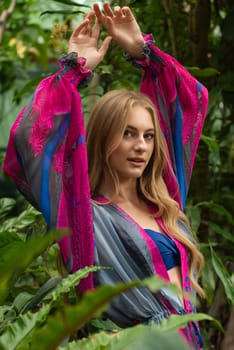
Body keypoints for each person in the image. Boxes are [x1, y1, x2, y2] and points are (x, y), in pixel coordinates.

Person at [3, 2, 208, 349]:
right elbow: (29, 139)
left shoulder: (165, 199)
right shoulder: (84, 215)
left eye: (148, 135)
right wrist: (72, 69)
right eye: (127, 133)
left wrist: (144, 51)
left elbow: (192, 100)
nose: (141, 146)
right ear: (103, 139)